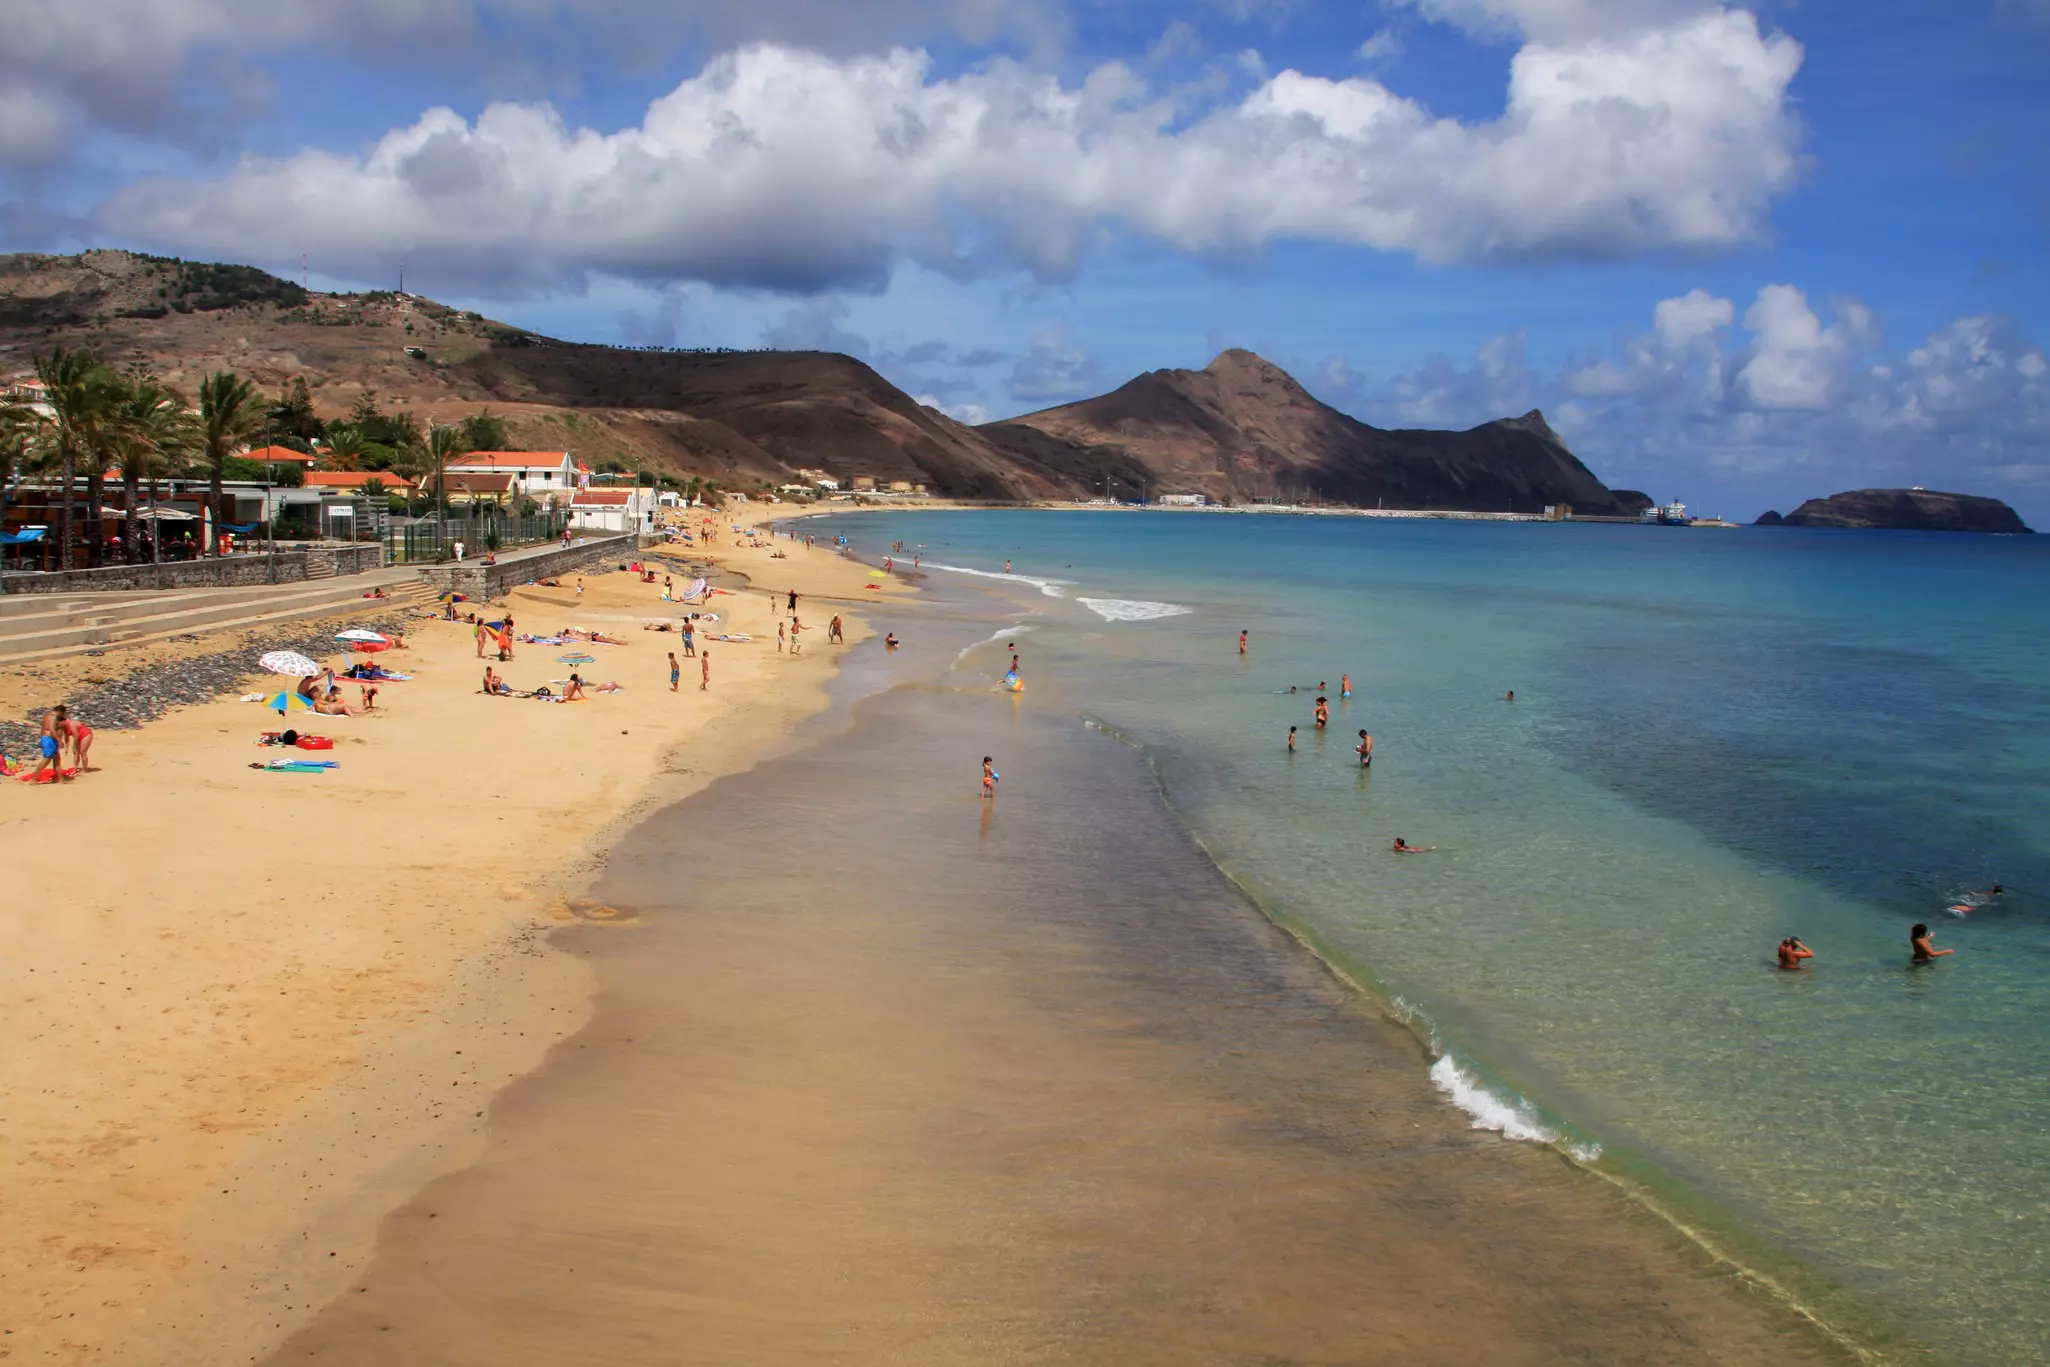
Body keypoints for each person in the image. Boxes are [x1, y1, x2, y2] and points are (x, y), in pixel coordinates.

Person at [35, 705, 69, 782]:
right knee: (47, 759)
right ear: (60, 711)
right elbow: (51, 729)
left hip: (50, 739)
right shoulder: (53, 717)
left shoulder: (49, 716)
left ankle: (61, 780)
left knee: (57, 759)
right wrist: (59, 740)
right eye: (63, 713)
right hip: (49, 739)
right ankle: (34, 779)